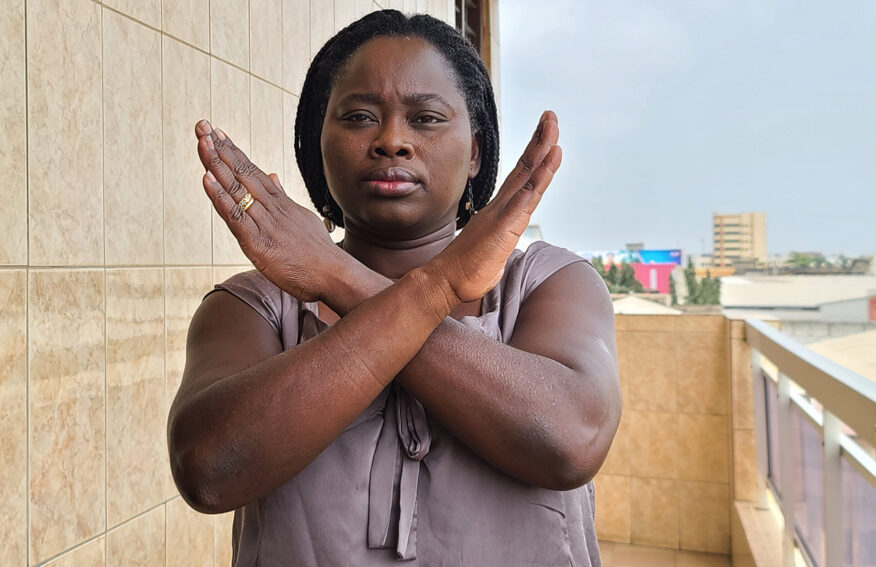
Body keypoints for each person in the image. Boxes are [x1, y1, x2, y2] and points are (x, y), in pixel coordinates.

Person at [168, 10, 620, 566]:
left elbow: (570, 440)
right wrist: (438, 289)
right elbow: (209, 470)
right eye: (359, 116)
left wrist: (340, 278)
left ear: (475, 151)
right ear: (318, 143)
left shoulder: (551, 283)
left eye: (426, 118)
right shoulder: (255, 306)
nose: (392, 141)